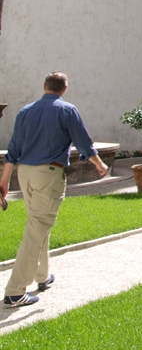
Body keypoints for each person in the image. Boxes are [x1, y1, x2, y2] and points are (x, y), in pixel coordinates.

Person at [1, 72, 108, 307]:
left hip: (24, 173)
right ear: (64, 89)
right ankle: (15, 291)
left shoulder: (25, 111)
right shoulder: (67, 110)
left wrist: (4, 180)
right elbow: (83, 142)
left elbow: (13, 149)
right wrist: (99, 164)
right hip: (48, 174)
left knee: (38, 223)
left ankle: (42, 275)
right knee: (38, 227)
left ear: (44, 86)